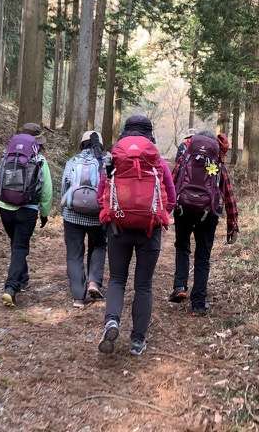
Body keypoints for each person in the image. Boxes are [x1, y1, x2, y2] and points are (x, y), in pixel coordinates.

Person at [97, 115, 176, 356]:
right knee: (143, 285)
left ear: (125, 133)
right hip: (149, 230)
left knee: (117, 279)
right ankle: (137, 341)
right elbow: (171, 199)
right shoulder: (158, 162)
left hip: (118, 228)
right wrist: (154, 213)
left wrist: (116, 213)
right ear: (150, 134)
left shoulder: (114, 160)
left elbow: (101, 196)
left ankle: (112, 322)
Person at [0, 122, 53, 307]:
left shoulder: (6, 156)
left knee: (16, 245)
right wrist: (44, 213)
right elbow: (47, 191)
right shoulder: (40, 160)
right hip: (28, 210)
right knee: (19, 248)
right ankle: (11, 287)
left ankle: (23, 278)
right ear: (37, 141)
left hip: (5, 209)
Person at [169, 131, 239, 316]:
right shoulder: (217, 163)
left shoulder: (185, 159)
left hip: (183, 208)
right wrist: (232, 224)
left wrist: (164, 212)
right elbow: (228, 194)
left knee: (182, 246)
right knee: (202, 256)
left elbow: (172, 182)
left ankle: (180, 286)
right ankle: (198, 304)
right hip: (208, 213)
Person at [61, 130, 107, 309]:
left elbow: (65, 186)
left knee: (74, 255)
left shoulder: (72, 162)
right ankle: (94, 282)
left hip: (73, 215)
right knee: (99, 246)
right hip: (98, 216)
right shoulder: (104, 162)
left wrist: (63, 208)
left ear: (82, 144)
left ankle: (78, 298)